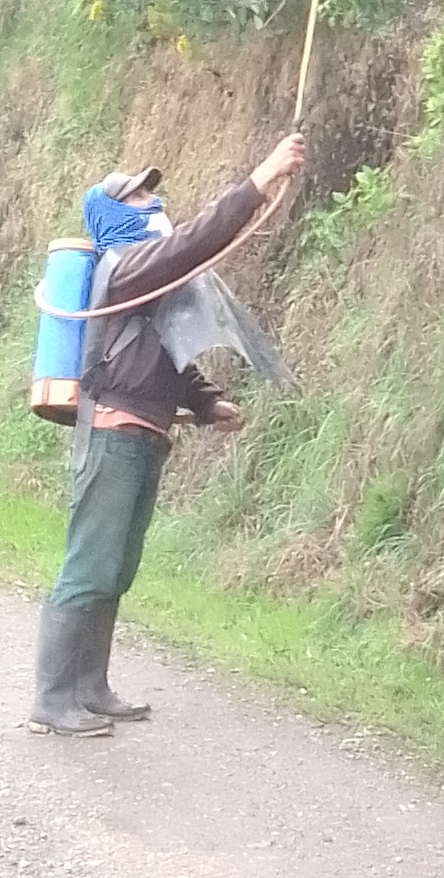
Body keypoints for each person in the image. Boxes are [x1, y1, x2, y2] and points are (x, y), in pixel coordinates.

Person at [29, 130, 306, 736]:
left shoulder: (148, 280)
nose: (151, 203)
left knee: (116, 567)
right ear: (112, 215)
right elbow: (192, 241)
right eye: (136, 198)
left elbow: (163, 356)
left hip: (143, 437)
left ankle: (91, 688)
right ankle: (51, 699)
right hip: (113, 435)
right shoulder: (126, 267)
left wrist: (206, 403)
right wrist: (261, 178)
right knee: (90, 565)